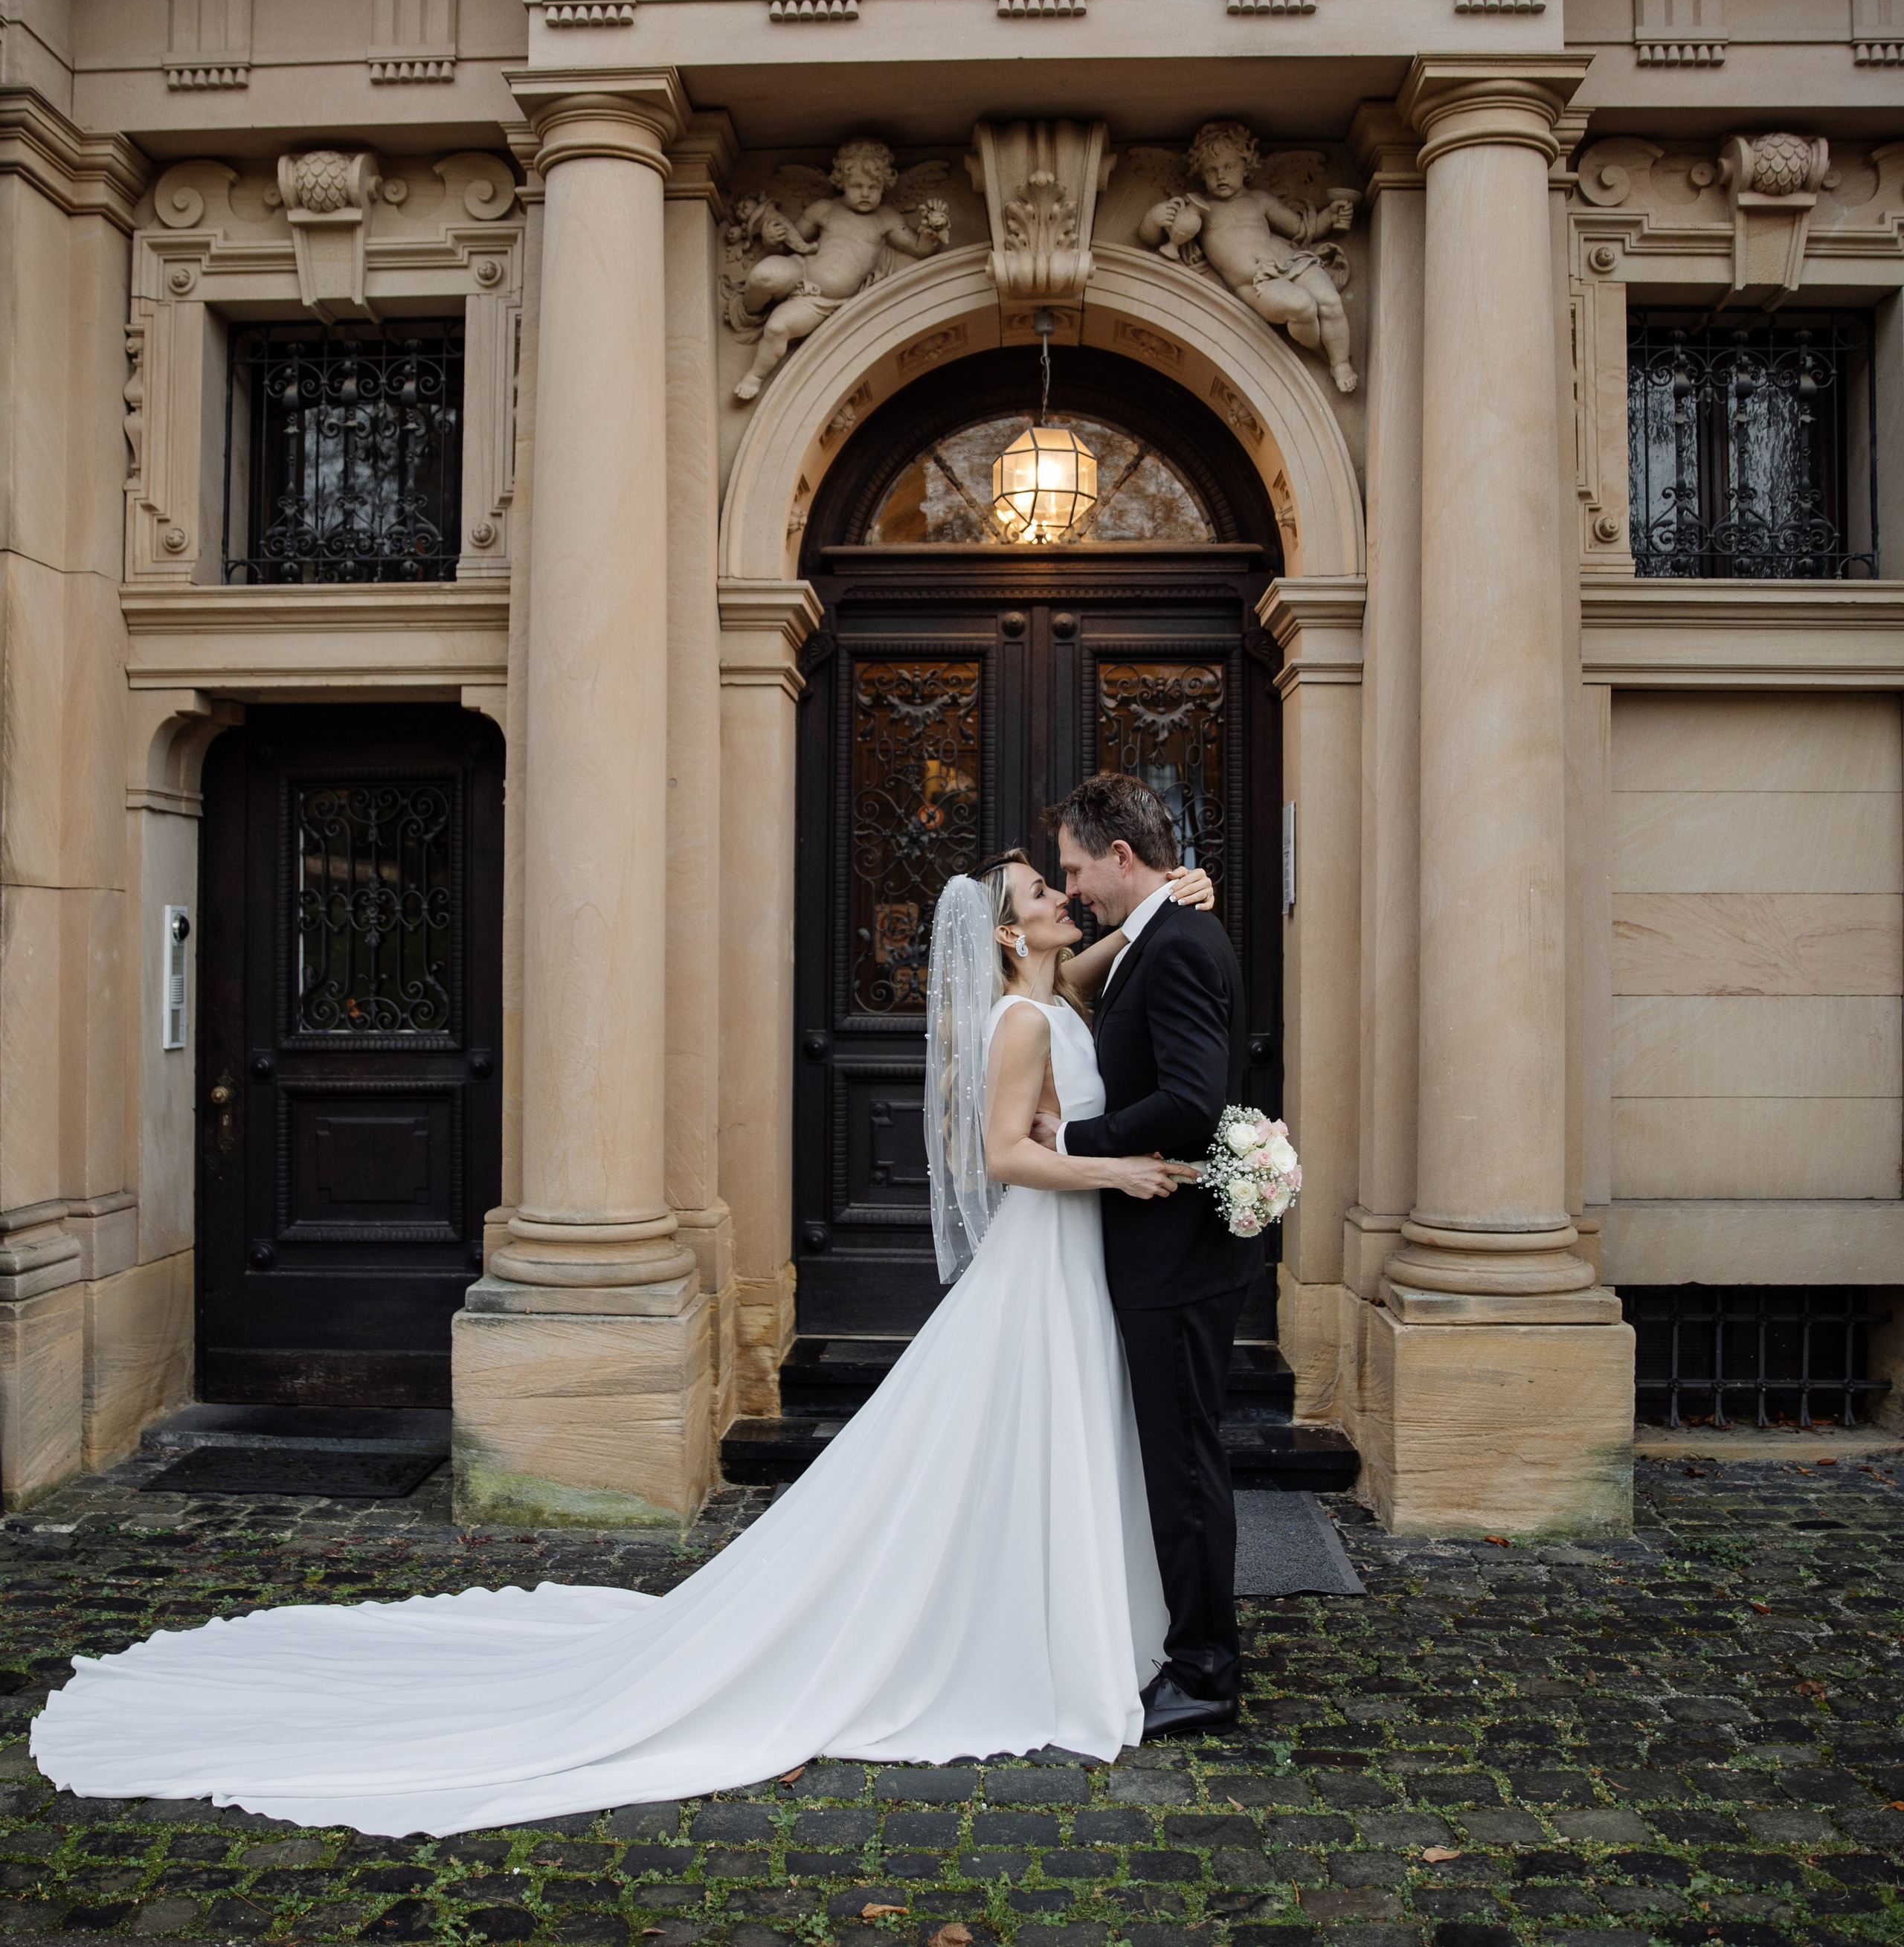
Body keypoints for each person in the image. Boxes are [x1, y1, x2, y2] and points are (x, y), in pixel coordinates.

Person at [30, 855, 1214, 1836]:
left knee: (1034, 1436)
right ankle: (1006, 1628)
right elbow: (1008, 1154)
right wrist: (1111, 1164)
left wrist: (1167, 901)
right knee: (1000, 1437)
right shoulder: (1022, 1017)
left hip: (1068, 1263)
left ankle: (1059, 1613)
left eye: (1064, 892)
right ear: (1013, 937)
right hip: (1047, 1246)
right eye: (1042, 896)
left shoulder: (1057, 993)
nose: (1064, 898)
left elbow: (1089, 970)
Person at [1040, 773, 1261, 1739]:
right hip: (1172, 1250)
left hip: (1176, 1252)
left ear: (1120, 856)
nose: (1074, 887)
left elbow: (1192, 1104)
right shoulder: (1162, 934)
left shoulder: (1175, 946)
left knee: (1183, 1465)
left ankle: (1207, 1668)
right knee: (1178, 1460)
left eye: (1078, 868)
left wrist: (1076, 1141)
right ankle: (1194, 1642)